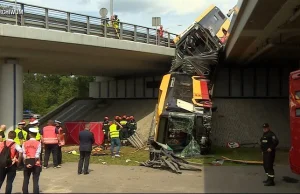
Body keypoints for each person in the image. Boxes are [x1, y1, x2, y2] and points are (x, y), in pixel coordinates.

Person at [22, 128, 42, 194]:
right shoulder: (38, 143)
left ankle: (25, 192)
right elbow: (37, 155)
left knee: (26, 179)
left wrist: (27, 162)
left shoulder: (24, 143)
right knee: (35, 180)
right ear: (36, 135)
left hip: (27, 162)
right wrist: (33, 162)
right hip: (36, 163)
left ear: (30, 134)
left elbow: (24, 154)